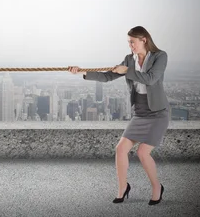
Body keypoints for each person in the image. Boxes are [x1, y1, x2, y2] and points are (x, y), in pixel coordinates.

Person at [68, 26, 168, 206]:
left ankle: (157, 187)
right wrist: (82, 71)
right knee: (120, 149)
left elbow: (151, 79)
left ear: (144, 40)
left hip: (158, 113)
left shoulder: (160, 56)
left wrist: (126, 71)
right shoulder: (129, 59)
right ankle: (123, 187)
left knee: (143, 153)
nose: (130, 46)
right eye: (128, 42)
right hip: (140, 111)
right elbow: (107, 77)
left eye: (133, 42)